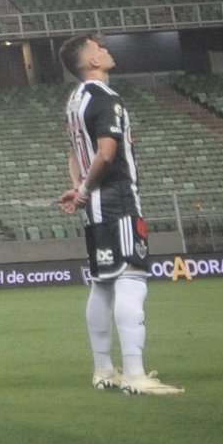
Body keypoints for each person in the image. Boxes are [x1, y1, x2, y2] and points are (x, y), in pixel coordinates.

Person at [57, 34, 183, 395]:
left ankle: (103, 370)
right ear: (92, 62)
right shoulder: (105, 97)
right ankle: (135, 374)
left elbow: (74, 152)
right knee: (131, 278)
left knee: (102, 283)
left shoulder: (74, 101)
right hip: (118, 201)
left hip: (96, 209)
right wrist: (83, 190)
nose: (107, 51)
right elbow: (108, 152)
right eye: (100, 48)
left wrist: (79, 185)